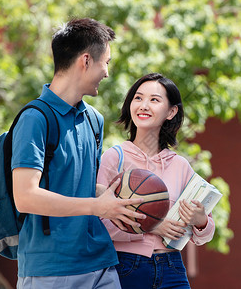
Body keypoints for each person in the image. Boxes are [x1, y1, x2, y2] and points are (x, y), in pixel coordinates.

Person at [11, 18, 146, 289]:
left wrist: (113, 197)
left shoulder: (94, 120)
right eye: (105, 62)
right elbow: (25, 197)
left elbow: (78, 186)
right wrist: (97, 206)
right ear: (85, 60)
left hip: (100, 262)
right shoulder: (35, 119)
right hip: (50, 268)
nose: (107, 72)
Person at [97, 73, 216, 288]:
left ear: (171, 112)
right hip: (127, 267)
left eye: (154, 100)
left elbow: (205, 235)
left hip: (173, 268)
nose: (143, 105)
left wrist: (201, 220)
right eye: (138, 98)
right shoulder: (114, 158)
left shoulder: (180, 165)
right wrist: (152, 226)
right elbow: (98, 222)